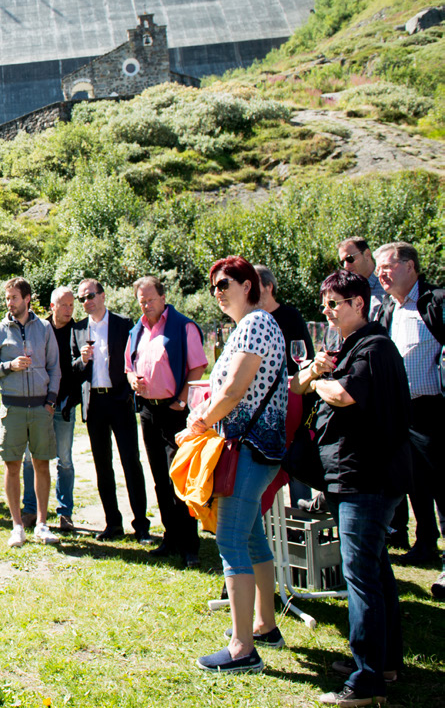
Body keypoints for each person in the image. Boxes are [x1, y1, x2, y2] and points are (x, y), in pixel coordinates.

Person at [291, 269, 410, 706]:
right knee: (376, 572)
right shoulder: (361, 346)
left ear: (359, 303)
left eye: (334, 304)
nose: (327, 312)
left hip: (367, 479)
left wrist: (319, 378)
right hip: (367, 477)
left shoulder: (373, 347)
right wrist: (320, 369)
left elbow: (343, 396)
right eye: (324, 305)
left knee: (360, 576)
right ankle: (384, 662)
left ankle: (365, 680)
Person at [187, 256, 287, 674]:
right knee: (251, 539)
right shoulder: (251, 325)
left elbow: (233, 389)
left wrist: (199, 422)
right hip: (254, 448)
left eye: (224, 282)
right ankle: (265, 626)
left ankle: (242, 648)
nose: (218, 291)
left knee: (229, 541)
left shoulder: (256, 324)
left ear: (248, 285)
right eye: (213, 286)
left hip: (249, 447)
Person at [372, 241, 445, 590]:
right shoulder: (389, 309)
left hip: (434, 408)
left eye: (387, 266)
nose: (380, 273)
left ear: (411, 266)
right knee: (415, 481)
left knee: (442, 485)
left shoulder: (435, 302)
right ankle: (425, 545)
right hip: (401, 411)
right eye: (378, 268)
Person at [126, 275, 207, 566]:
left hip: (176, 411)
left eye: (150, 299)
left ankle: (190, 545)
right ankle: (170, 538)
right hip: (149, 411)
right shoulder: (138, 330)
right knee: (160, 476)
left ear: (163, 297)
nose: (146, 305)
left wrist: (182, 401)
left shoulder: (182, 326)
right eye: (141, 300)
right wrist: (132, 378)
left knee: (181, 478)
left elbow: (197, 366)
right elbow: (128, 366)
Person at [0, 278, 59, 546]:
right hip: (12, 408)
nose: (10, 303)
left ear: (27, 299)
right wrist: (9, 366)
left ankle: (42, 524)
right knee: (12, 466)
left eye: (14, 297)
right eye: (7, 298)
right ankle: (17, 526)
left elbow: (54, 368)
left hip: (40, 408)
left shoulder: (45, 328)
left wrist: (50, 402)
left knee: (42, 464)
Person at [72, 279, 148, 543]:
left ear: (103, 295)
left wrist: (128, 394)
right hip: (95, 404)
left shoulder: (124, 324)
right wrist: (81, 360)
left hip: (120, 401)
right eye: (82, 298)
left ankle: (142, 526)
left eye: (90, 295)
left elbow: (136, 359)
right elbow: (73, 369)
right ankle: (112, 523)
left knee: (131, 463)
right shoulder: (79, 329)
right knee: (103, 466)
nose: (86, 301)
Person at [255, 264, 316, 506]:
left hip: (292, 399)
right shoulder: (251, 320)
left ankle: (304, 526)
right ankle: (273, 528)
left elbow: (305, 358)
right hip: (262, 405)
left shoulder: (291, 316)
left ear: (269, 287)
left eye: (253, 286)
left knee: (297, 467)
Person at [24, 286, 81, 533]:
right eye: (64, 305)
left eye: (71, 305)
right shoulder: (39, 329)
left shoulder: (78, 332)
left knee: (64, 460)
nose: (68, 310)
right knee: (30, 458)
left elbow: (80, 372)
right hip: (37, 404)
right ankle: (30, 508)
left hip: (64, 405)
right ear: (52, 307)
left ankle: (64, 512)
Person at [338, 236, 385, 320]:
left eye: (350, 259)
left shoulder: (386, 284)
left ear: (367, 254)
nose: (346, 266)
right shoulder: (349, 291)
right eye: (342, 262)